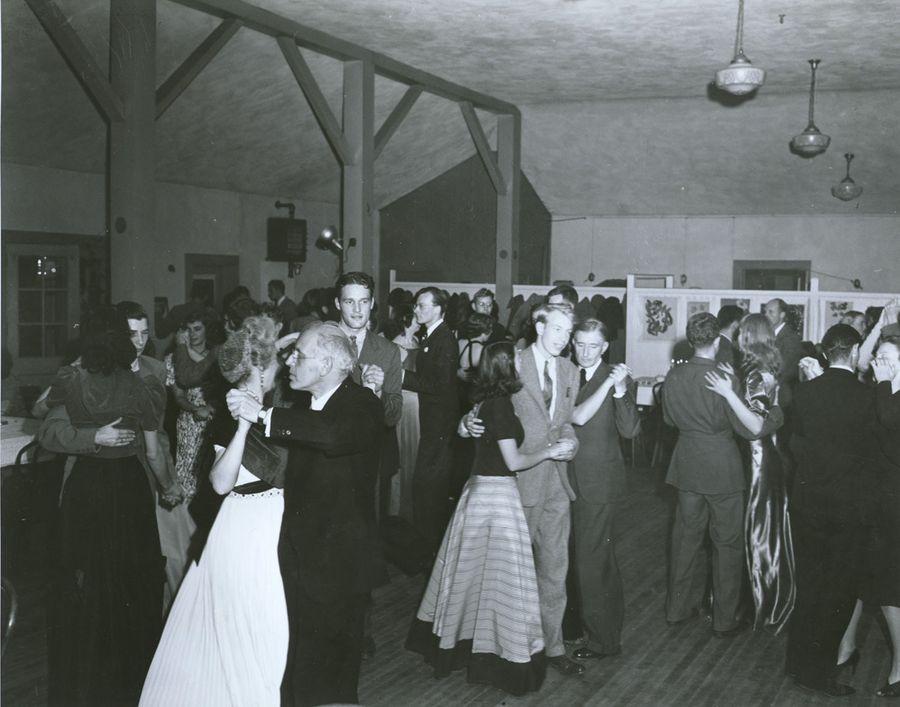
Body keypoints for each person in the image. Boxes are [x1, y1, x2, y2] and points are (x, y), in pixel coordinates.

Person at [226, 321, 384, 707]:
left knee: (330, 682)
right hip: (303, 561)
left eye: (301, 355)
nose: (292, 361)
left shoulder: (361, 404)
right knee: (301, 672)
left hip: (338, 568)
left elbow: (330, 434)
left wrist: (261, 415)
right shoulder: (305, 406)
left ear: (327, 363)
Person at [407, 341, 576, 694]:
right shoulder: (499, 406)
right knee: (505, 582)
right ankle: (502, 655)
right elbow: (513, 462)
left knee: (470, 579)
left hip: (478, 494)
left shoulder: (486, 401)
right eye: (516, 357)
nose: (521, 359)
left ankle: (461, 647)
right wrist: (550, 451)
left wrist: (465, 425)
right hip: (497, 499)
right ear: (507, 365)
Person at [140, 316, 289, 707]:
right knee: (237, 621)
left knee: (267, 624)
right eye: (275, 364)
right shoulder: (229, 411)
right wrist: (242, 427)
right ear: (258, 368)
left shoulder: (284, 405)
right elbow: (222, 483)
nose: (281, 369)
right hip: (242, 524)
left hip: (277, 520)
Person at [43, 317, 180, 707]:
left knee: (87, 583)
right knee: (131, 585)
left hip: (87, 488)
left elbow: (42, 416)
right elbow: (153, 452)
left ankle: (82, 686)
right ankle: (132, 684)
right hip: (127, 489)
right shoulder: (144, 387)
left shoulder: (72, 380)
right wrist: (169, 487)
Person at [465, 303, 581, 676]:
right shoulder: (513, 360)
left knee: (554, 571)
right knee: (510, 574)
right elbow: (481, 405)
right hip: (516, 483)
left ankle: (554, 647)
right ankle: (508, 650)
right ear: (539, 325)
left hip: (557, 484)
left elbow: (563, 423)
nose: (564, 339)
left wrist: (571, 441)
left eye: (568, 333)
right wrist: (465, 422)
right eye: (558, 330)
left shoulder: (569, 371)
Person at [663, 312, 778, 638]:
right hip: (722, 468)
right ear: (716, 341)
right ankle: (724, 620)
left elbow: (670, 420)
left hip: (686, 464)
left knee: (685, 540)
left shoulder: (674, 376)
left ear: (691, 341)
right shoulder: (726, 376)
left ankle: (676, 609)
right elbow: (745, 429)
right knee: (726, 545)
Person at [785, 324, 880, 697]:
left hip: (808, 503)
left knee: (810, 586)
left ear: (825, 353)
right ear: (855, 351)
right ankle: (819, 673)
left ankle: (797, 664)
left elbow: (796, 445)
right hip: (847, 508)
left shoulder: (805, 393)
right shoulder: (868, 396)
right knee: (838, 594)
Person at [704, 313, 792, 633]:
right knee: (761, 531)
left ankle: (749, 603)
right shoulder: (766, 369)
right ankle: (756, 599)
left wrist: (728, 393)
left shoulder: (757, 374)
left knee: (752, 532)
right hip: (769, 456)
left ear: (747, 338)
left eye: (742, 335)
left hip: (757, 459)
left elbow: (754, 427)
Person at [567, 319, 640, 662]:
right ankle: (578, 628)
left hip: (598, 484)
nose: (585, 352)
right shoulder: (564, 370)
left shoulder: (616, 378)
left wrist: (622, 390)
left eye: (593, 346)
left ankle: (603, 640)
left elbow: (629, 431)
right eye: (580, 344)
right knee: (578, 560)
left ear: (605, 347)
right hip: (563, 479)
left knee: (593, 562)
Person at [832, 333, 900, 698]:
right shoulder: (879, 393)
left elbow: (893, 442)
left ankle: (899, 668)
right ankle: (846, 648)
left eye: (889, 358)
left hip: (896, 504)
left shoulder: (889, 395)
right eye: (879, 357)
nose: (880, 364)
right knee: (858, 578)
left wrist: (887, 383)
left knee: (889, 588)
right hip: (870, 500)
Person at [402, 287, 459, 553]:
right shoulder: (433, 335)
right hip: (433, 420)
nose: (416, 310)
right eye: (416, 305)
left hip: (439, 423)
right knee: (427, 483)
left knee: (429, 485)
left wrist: (402, 377)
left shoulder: (443, 339)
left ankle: (429, 548)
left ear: (438, 308)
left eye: (422, 305)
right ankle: (428, 544)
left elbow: (439, 384)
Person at [165, 308, 223, 504]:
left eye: (197, 329)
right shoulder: (173, 359)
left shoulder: (216, 356)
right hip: (189, 423)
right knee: (187, 477)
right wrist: (194, 409)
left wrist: (210, 408)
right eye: (188, 329)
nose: (192, 334)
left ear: (207, 330)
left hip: (215, 420)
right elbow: (178, 396)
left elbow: (223, 391)